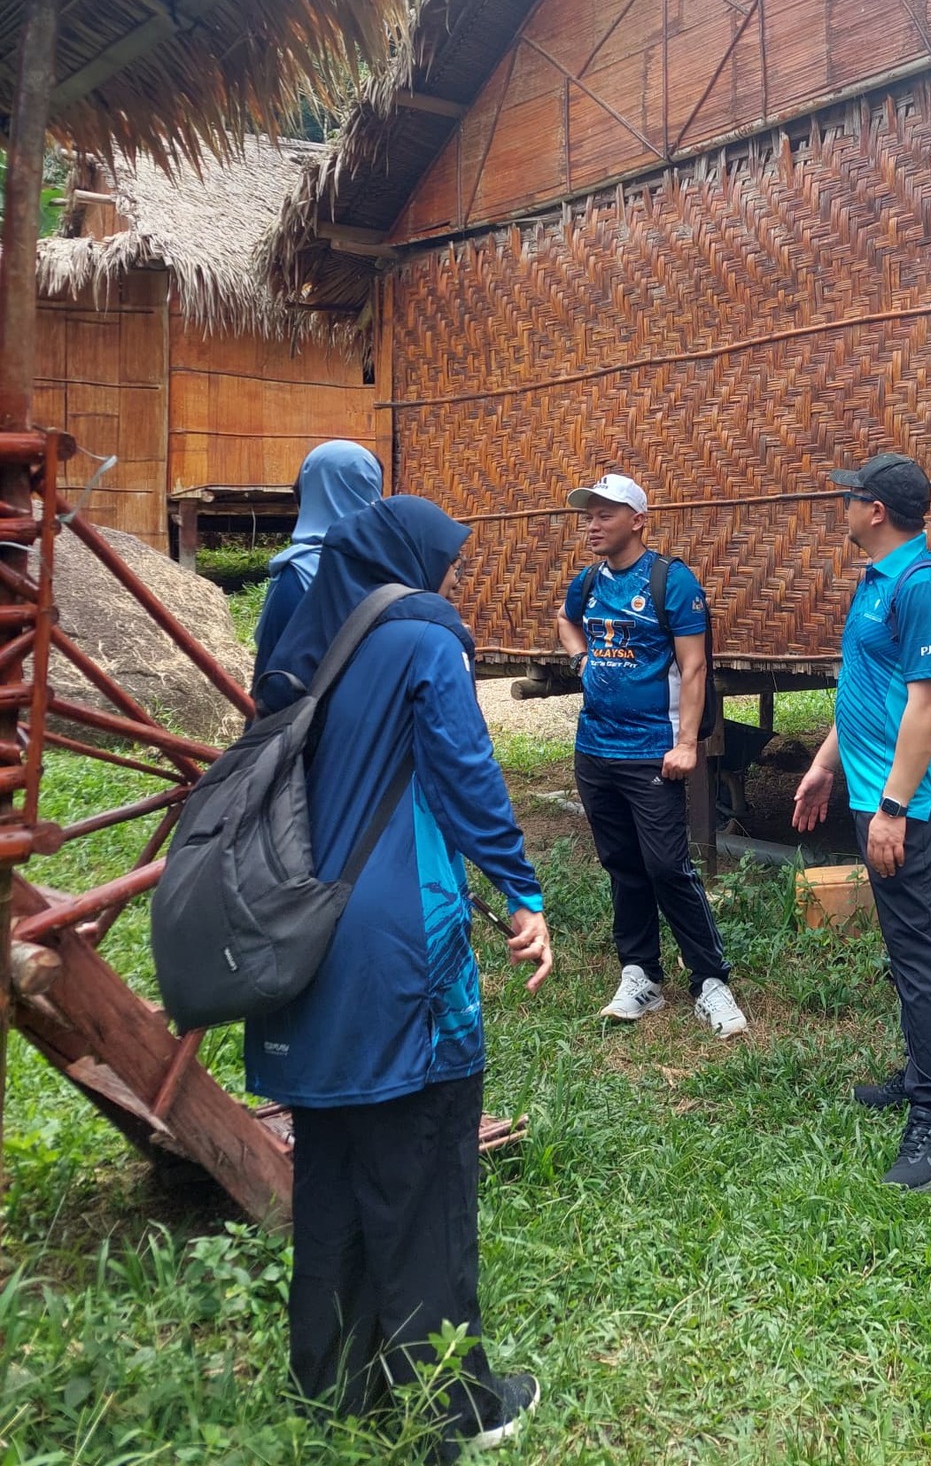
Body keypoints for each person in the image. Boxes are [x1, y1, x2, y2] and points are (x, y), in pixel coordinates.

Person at [249, 496, 552, 1452]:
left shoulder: (302, 641)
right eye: (445, 561)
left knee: (334, 1167)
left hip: (298, 941)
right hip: (396, 948)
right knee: (424, 1170)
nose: (451, 579)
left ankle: (332, 1383)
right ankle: (448, 1411)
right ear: (411, 562)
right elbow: (465, 772)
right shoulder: (423, 637)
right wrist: (520, 888)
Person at [791, 451, 931, 1192]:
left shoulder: (922, 587)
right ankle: (921, 1071)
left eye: (851, 498)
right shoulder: (876, 582)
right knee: (906, 946)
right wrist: (826, 763)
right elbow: (869, 688)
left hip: (914, 800)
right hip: (875, 789)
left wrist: (894, 808)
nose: (842, 508)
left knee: (926, 954)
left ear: (877, 511)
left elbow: (928, 706)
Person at [555, 472, 747, 1038]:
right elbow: (566, 621)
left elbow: (694, 666)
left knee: (667, 865)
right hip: (594, 749)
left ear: (637, 519)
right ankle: (641, 973)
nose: (593, 524)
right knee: (622, 865)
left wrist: (687, 744)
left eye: (605, 513)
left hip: (652, 752)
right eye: (588, 514)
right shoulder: (588, 582)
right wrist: (580, 660)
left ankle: (711, 980)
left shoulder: (671, 581)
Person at [251, 439, 383, 686]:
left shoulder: (298, 573)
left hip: (317, 719)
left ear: (307, 492)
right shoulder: (399, 564)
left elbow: (271, 670)